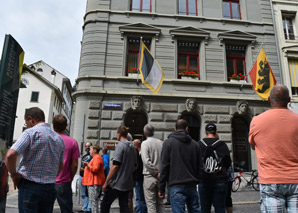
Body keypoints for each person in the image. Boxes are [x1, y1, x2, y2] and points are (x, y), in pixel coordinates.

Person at [249, 84, 298, 212]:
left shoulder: (256, 121)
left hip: (270, 180)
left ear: (269, 100)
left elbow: (253, 145)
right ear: (288, 100)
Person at [5, 107, 65, 213]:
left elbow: (10, 155)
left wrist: (14, 175)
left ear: (31, 119)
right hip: (50, 187)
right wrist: (49, 177)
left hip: (30, 186)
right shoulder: (59, 138)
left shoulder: (30, 133)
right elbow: (61, 165)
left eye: (26, 123)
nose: (27, 126)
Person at [159, 119, 201, 213]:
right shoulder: (195, 144)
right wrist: (197, 179)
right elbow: (200, 166)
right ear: (187, 128)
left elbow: (164, 166)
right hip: (192, 185)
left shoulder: (168, 143)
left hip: (176, 185)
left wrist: (161, 188)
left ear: (175, 129)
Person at [100, 126, 137, 213]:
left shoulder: (120, 146)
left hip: (117, 183)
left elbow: (115, 166)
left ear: (119, 134)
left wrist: (106, 182)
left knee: (105, 203)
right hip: (127, 182)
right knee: (124, 205)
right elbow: (134, 167)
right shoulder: (132, 148)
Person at [198, 123, 231, 213]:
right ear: (216, 132)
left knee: (204, 208)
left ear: (205, 132)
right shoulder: (222, 144)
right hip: (220, 180)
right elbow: (228, 162)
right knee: (220, 208)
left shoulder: (199, 144)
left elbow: (194, 162)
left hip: (203, 180)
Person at [53, 114, 80, 213]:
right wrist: (71, 177)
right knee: (67, 210)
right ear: (66, 126)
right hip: (64, 181)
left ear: (53, 125)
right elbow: (75, 164)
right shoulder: (72, 142)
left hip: (47, 181)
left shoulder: (48, 139)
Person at [141, 124, 164, 213]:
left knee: (151, 205)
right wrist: (160, 173)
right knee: (160, 203)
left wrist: (155, 172)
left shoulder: (145, 143)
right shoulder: (161, 142)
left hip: (149, 176)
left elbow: (146, 161)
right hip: (161, 176)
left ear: (144, 132)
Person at [82, 144, 105, 213]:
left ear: (95, 150)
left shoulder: (97, 157)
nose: (89, 151)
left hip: (94, 182)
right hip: (93, 181)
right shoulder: (95, 157)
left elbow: (95, 169)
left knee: (93, 201)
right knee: (93, 201)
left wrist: (87, 165)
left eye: (91, 149)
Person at [133, 139, 147, 213]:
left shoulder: (140, 155)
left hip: (139, 179)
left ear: (135, 146)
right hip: (142, 178)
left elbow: (139, 168)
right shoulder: (142, 154)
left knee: (139, 198)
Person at [79, 142, 93, 213]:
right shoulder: (84, 156)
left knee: (88, 193)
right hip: (82, 176)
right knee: (83, 193)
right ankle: (84, 208)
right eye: (86, 146)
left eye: (89, 146)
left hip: (88, 176)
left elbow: (92, 167)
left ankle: (88, 208)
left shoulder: (92, 156)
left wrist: (84, 169)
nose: (87, 147)